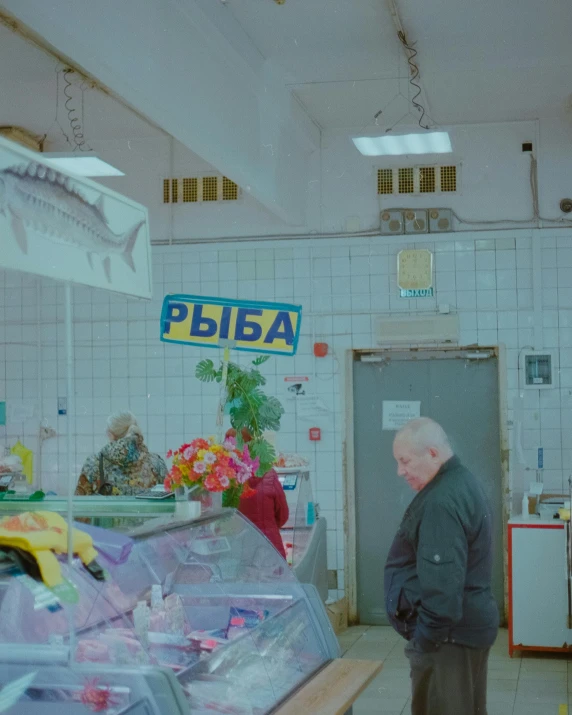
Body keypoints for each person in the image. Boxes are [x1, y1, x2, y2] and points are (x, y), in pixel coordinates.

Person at [384, 418, 498, 715]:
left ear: (432, 453)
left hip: (448, 641)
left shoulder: (441, 502)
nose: (400, 471)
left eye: (405, 461)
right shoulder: (462, 481)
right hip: (462, 632)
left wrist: (424, 643)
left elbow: (443, 588)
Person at [225, 428, 289, 558]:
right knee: (273, 577)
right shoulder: (269, 474)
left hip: (241, 549)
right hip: (270, 547)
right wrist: (268, 525)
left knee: (246, 577)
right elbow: (283, 515)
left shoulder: (225, 478)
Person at [75, 412, 167, 496]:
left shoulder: (94, 463)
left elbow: (79, 506)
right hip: (147, 514)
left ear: (110, 435)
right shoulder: (156, 463)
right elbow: (170, 501)